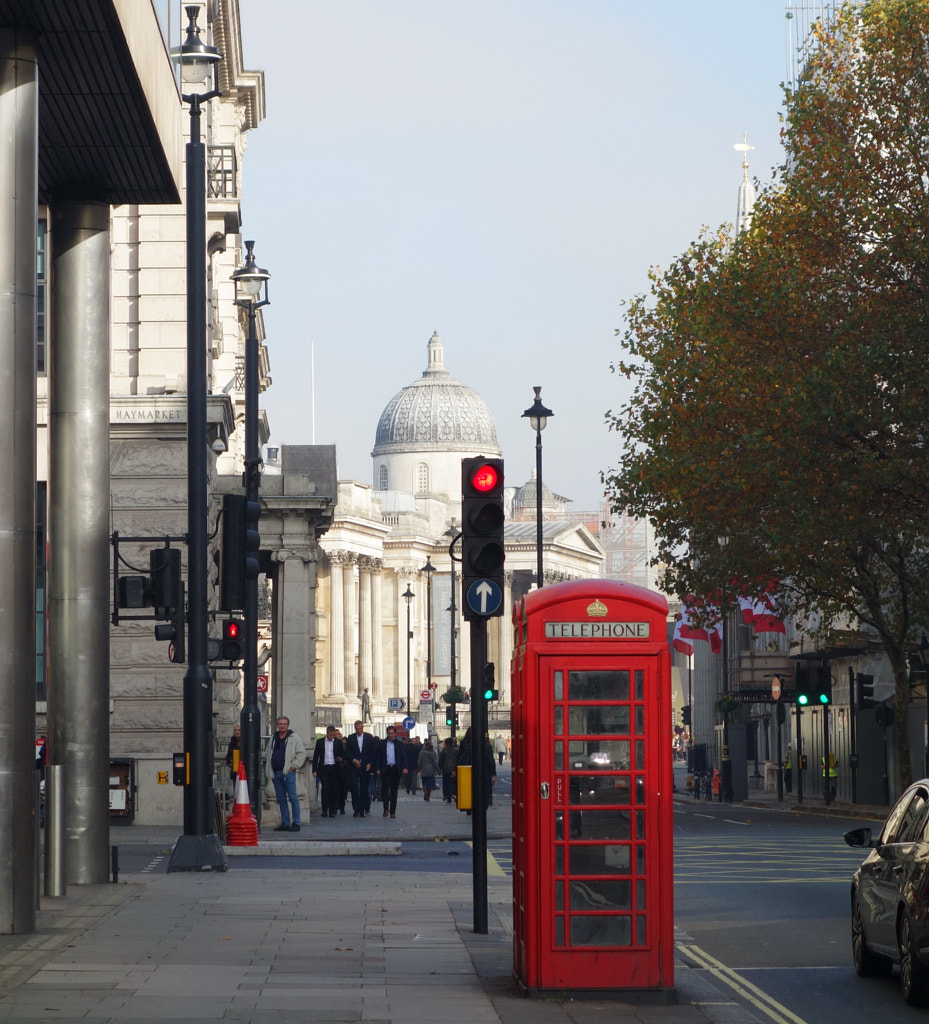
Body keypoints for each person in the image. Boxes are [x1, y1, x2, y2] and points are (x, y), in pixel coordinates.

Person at [265, 716, 307, 832]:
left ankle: (296, 823)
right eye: (280, 724)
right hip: (275, 773)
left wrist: (293, 766)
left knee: (293, 798)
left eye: (284, 724)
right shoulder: (273, 738)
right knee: (281, 799)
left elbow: (301, 754)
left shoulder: (294, 738)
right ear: (277, 725)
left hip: (288, 773)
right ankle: (285, 822)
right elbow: (268, 753)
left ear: (287, 725)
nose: (282, 725)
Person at [456, 727, 497, 813]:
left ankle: (470, 808)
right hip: (484, 773)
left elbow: (459, 758)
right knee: (484, 792)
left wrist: (455, 769)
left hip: (468, 771)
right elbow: (490, 761)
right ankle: (482, 809)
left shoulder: (464, 744)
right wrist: (493, 773)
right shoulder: (487, 746)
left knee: (470, 789)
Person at [344, 719, 377, 817]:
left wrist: (370, 763)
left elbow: (372, 752)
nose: (359, 730)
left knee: (364, 789)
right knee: (354, 788)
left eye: (360, 728)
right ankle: (356, 808)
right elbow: (347, 753)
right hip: (354, 767)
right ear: (355, 728)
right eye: (357, 729)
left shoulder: (369, 737)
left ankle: (362, 809)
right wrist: (354, 760)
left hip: (365, 767)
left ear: (363, 728)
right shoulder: (351, 738)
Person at [312, 725, 344, 818]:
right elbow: (315, 757)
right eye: (330, 735)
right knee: (325, 789)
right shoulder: (320, 742)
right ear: (327, 733)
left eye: (333, 735)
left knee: (334, 790)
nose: (331, 737)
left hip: (334, 767)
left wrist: (340, 759)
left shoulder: (338, 742)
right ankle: (324, 810)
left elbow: (342, 754)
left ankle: (332, 810)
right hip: (324, 768)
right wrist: (314, 770)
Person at [375, 726, 407, 818]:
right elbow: (378, 757)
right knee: (384, 790)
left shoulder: (400, 744)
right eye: (389, 733)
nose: (391, 735)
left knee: (394, 791)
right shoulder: (382, 744)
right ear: (387, 734)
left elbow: (403, 757)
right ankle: (385, 808)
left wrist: (404, 767)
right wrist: (377, 768)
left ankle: (393, 811)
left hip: (395, 769)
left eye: (392, 733)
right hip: (385, 769)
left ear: (395, 734)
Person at [438, 737, 457, 804]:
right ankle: (454, 794)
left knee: (446, 783)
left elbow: (441, 760)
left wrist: (439, 768)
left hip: (445, 769)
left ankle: (447, 796)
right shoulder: (456, 750)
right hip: (454, 769)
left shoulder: (444, 750)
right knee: (454, 783)